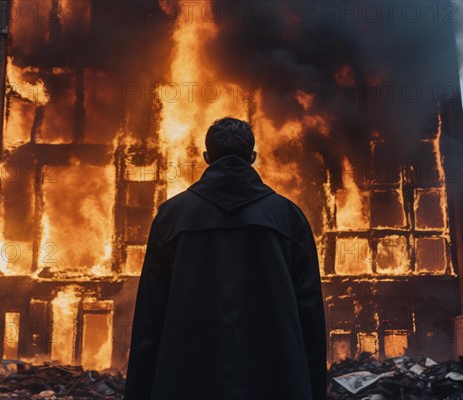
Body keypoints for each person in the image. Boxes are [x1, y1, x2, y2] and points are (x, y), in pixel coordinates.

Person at [124, 117, 327, 400]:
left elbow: (150, 318)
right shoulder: (288, 217)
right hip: (273, 381)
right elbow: (311, 319)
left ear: (207, 157)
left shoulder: (172, 217)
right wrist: (314, 389)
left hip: (187, 382)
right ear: (252, 157)